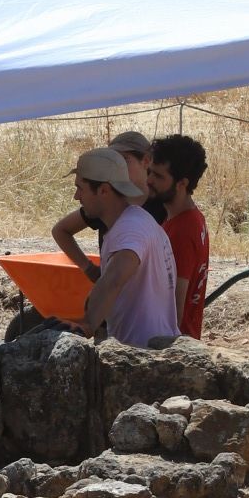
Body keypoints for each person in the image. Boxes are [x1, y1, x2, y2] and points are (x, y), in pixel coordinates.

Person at [71, 146, 179, 347]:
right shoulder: (136, 220)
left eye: (80, 188)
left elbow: (114, 279)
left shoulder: (130, 230)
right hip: (150, 348)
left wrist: (88, 324)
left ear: (103, 190)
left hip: (143, 355)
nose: (77, 197)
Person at [51, 126, 156, 284]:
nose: (117, 165)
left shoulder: (162, 204)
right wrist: (89, 269)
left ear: (146, 161)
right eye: (114, 159)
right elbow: (61, 230)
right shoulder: (110, 201)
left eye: (124, 159)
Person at [147, 133, 211, 339]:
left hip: (173, 346)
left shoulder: (182, 231)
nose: (149, 180)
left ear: (182, 183)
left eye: (158, 176)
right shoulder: (191, 218)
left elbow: (175, 304)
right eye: (149, 172)